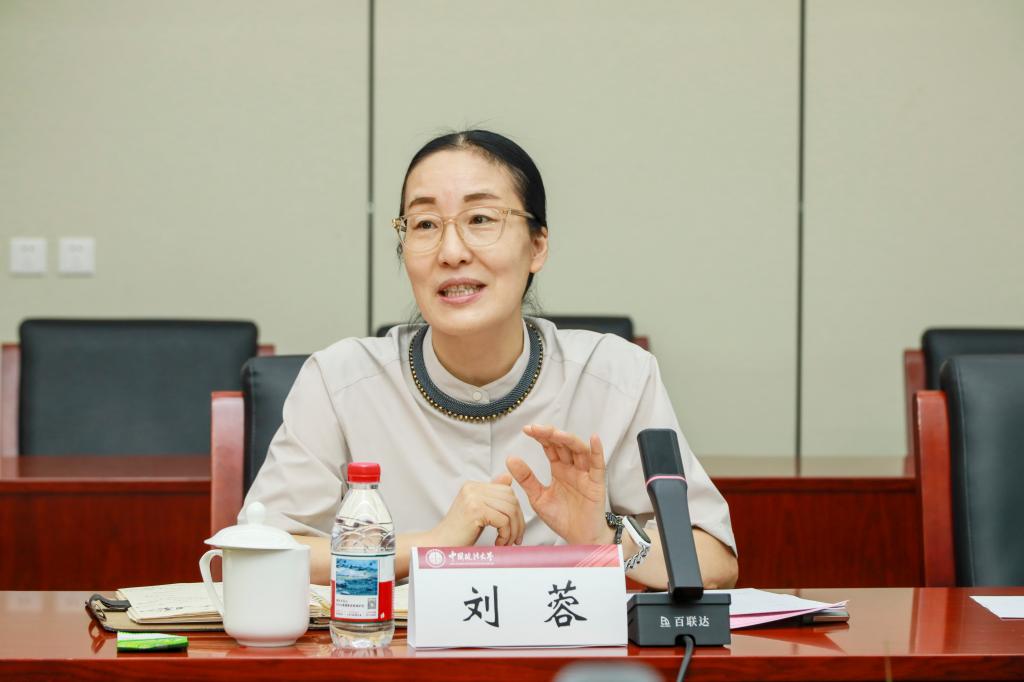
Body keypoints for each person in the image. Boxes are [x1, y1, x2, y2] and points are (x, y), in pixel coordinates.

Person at [243, 130, 738, 590]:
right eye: (425, 224)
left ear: (537, 245)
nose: (451, 251)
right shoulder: (338, 382)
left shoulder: (615, 376)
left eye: (480, 219)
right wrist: (430, 546)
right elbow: (259, 553)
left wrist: (602, 538)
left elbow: (714, 561)